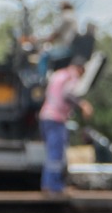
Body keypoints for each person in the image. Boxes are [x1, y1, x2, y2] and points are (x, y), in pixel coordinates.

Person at [39, 60, 91, 195]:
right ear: (79, 69)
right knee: (56, 154)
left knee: (51, 153)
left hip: (45, 117)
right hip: (56, 119)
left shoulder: (57, 75)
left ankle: (47, 184)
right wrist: (83, 105)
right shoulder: (71, 76)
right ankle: (55, 187)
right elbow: (67, 94)